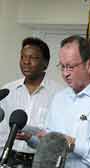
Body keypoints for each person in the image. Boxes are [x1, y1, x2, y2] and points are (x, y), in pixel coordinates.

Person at [32, 35, 90, 168]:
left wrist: (74, 144)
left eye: (70, 67)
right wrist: (31, 138)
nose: (65, 73)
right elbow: (51, 140)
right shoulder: (59, 97)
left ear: (89, 65)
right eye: (62, 66)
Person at [0, 37, 62, 167]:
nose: (26, 62)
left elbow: (58, 137)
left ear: (46, 63)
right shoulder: (7, 91)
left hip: (40, 161)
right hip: (8, 159)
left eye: (33, 58)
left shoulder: (59, 94)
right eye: (23, 57)